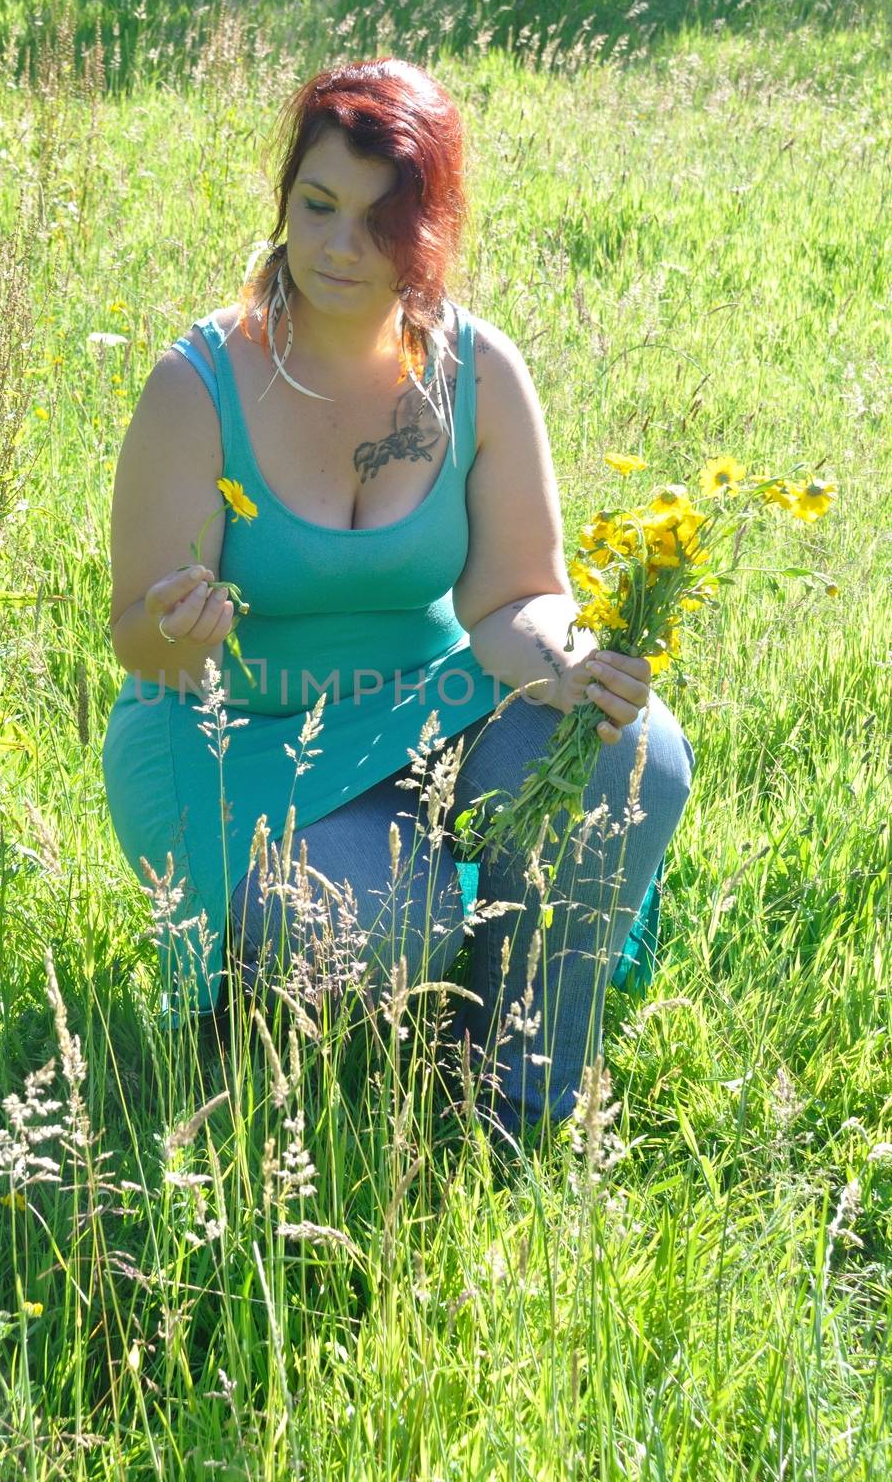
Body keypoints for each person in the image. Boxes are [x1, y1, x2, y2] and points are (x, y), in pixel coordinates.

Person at [102, 57, 695, 1142]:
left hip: (433, 701)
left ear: (430, 231)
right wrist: (179, 631)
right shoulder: (198, 383)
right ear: (283, 199)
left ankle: (514, 1107)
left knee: (631, 752)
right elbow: (138, 644)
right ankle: (252, 1011)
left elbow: (518, 597)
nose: (337, 246)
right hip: (242, 738)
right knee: (381, 918)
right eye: (317, 206)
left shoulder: (476, 369)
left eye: (379, 222)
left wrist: (564, 658)